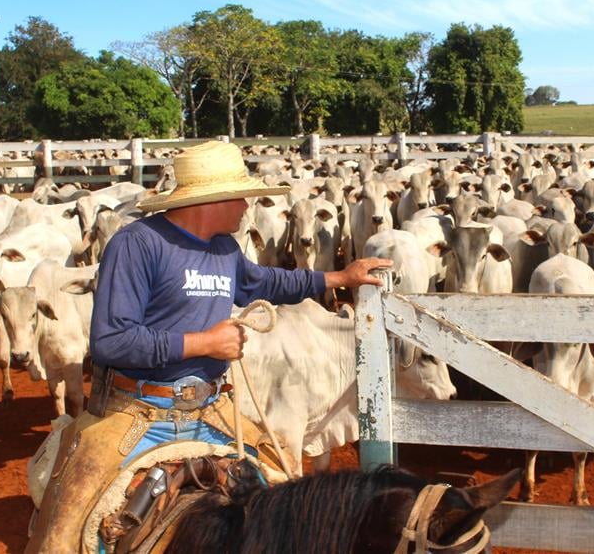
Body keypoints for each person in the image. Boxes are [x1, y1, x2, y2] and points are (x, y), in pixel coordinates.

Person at [26, 141, 390, 554]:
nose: (247, 207)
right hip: (135, 412)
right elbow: (110, 341)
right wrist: (205, 343)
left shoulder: (224, 249)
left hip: (211, 409)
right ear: (214, 199)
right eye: (241, 197)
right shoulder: (137, 245)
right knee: (66, 527)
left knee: (283, 504)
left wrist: (339, 277)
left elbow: (265, 282)